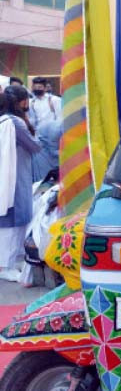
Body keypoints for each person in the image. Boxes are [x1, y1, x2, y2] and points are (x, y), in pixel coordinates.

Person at [0, 85, 41, 282]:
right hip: (15, 177)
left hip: (11, 175)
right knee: (12, 222)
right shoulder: (16, 123)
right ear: (21, 101)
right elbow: (35, 146)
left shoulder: (4, 120)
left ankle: (8, 262)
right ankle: (4, 266)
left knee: (13, 220)